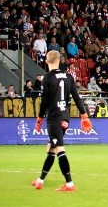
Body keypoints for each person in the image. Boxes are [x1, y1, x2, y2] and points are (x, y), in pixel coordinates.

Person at [32, 50, 92, 191]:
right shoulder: (68, 76)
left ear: (46, 61)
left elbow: (44, 102)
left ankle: (69, 184)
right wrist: (84, 116)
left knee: (59, 149)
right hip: (65, 117)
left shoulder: (47, 78)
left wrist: (39, 119)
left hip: (54, 118)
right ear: (60, 61)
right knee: (51, 149)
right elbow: (77, 98)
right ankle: (40, 180)